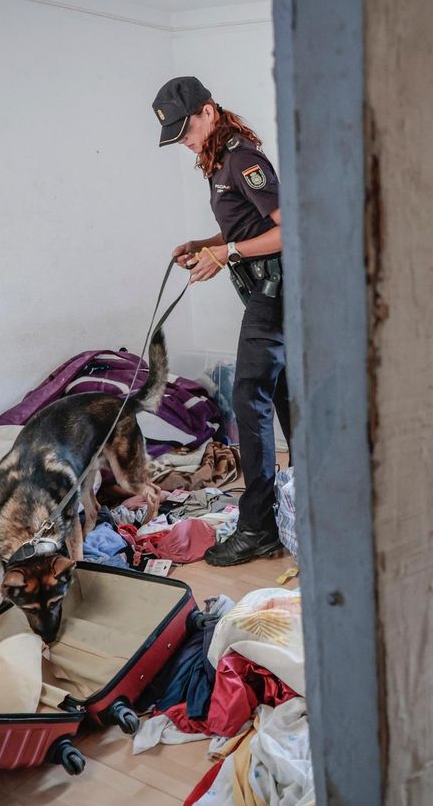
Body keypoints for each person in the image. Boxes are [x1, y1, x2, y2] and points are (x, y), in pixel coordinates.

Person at [153, 76, 290, 566]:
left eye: (185, 128)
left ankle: (258, 528)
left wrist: (226, 251)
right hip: (265, 290)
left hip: (276, 295)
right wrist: (204, 244)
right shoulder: (219, 160)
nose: (183, 140)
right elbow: (246, 223)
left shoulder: (242, 158)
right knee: (281, 395)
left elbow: (288, 230)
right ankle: (303, 507)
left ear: (207, 111)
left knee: (247, 397)